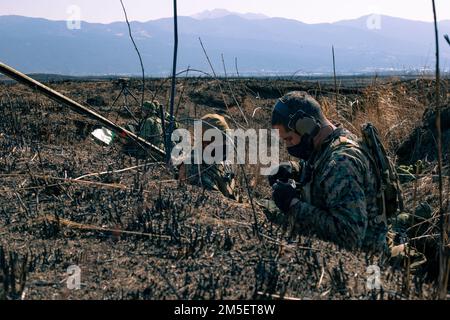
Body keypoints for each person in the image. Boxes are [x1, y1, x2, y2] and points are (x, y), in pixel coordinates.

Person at [269, 91, 387, 253]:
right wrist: (293, 169)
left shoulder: (342, 163)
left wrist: (293, 205)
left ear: (307, 127)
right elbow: (321, 170)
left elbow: (349, 238)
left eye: (289, 139)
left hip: (362, 265)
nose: (289, 146)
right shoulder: (327, 144)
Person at [177, 113, 236, 199]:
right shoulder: (195, 169)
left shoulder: (218, 159)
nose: (224, 145)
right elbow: (216, 201)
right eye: (218, 141)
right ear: (204, 142)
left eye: (225, 140)